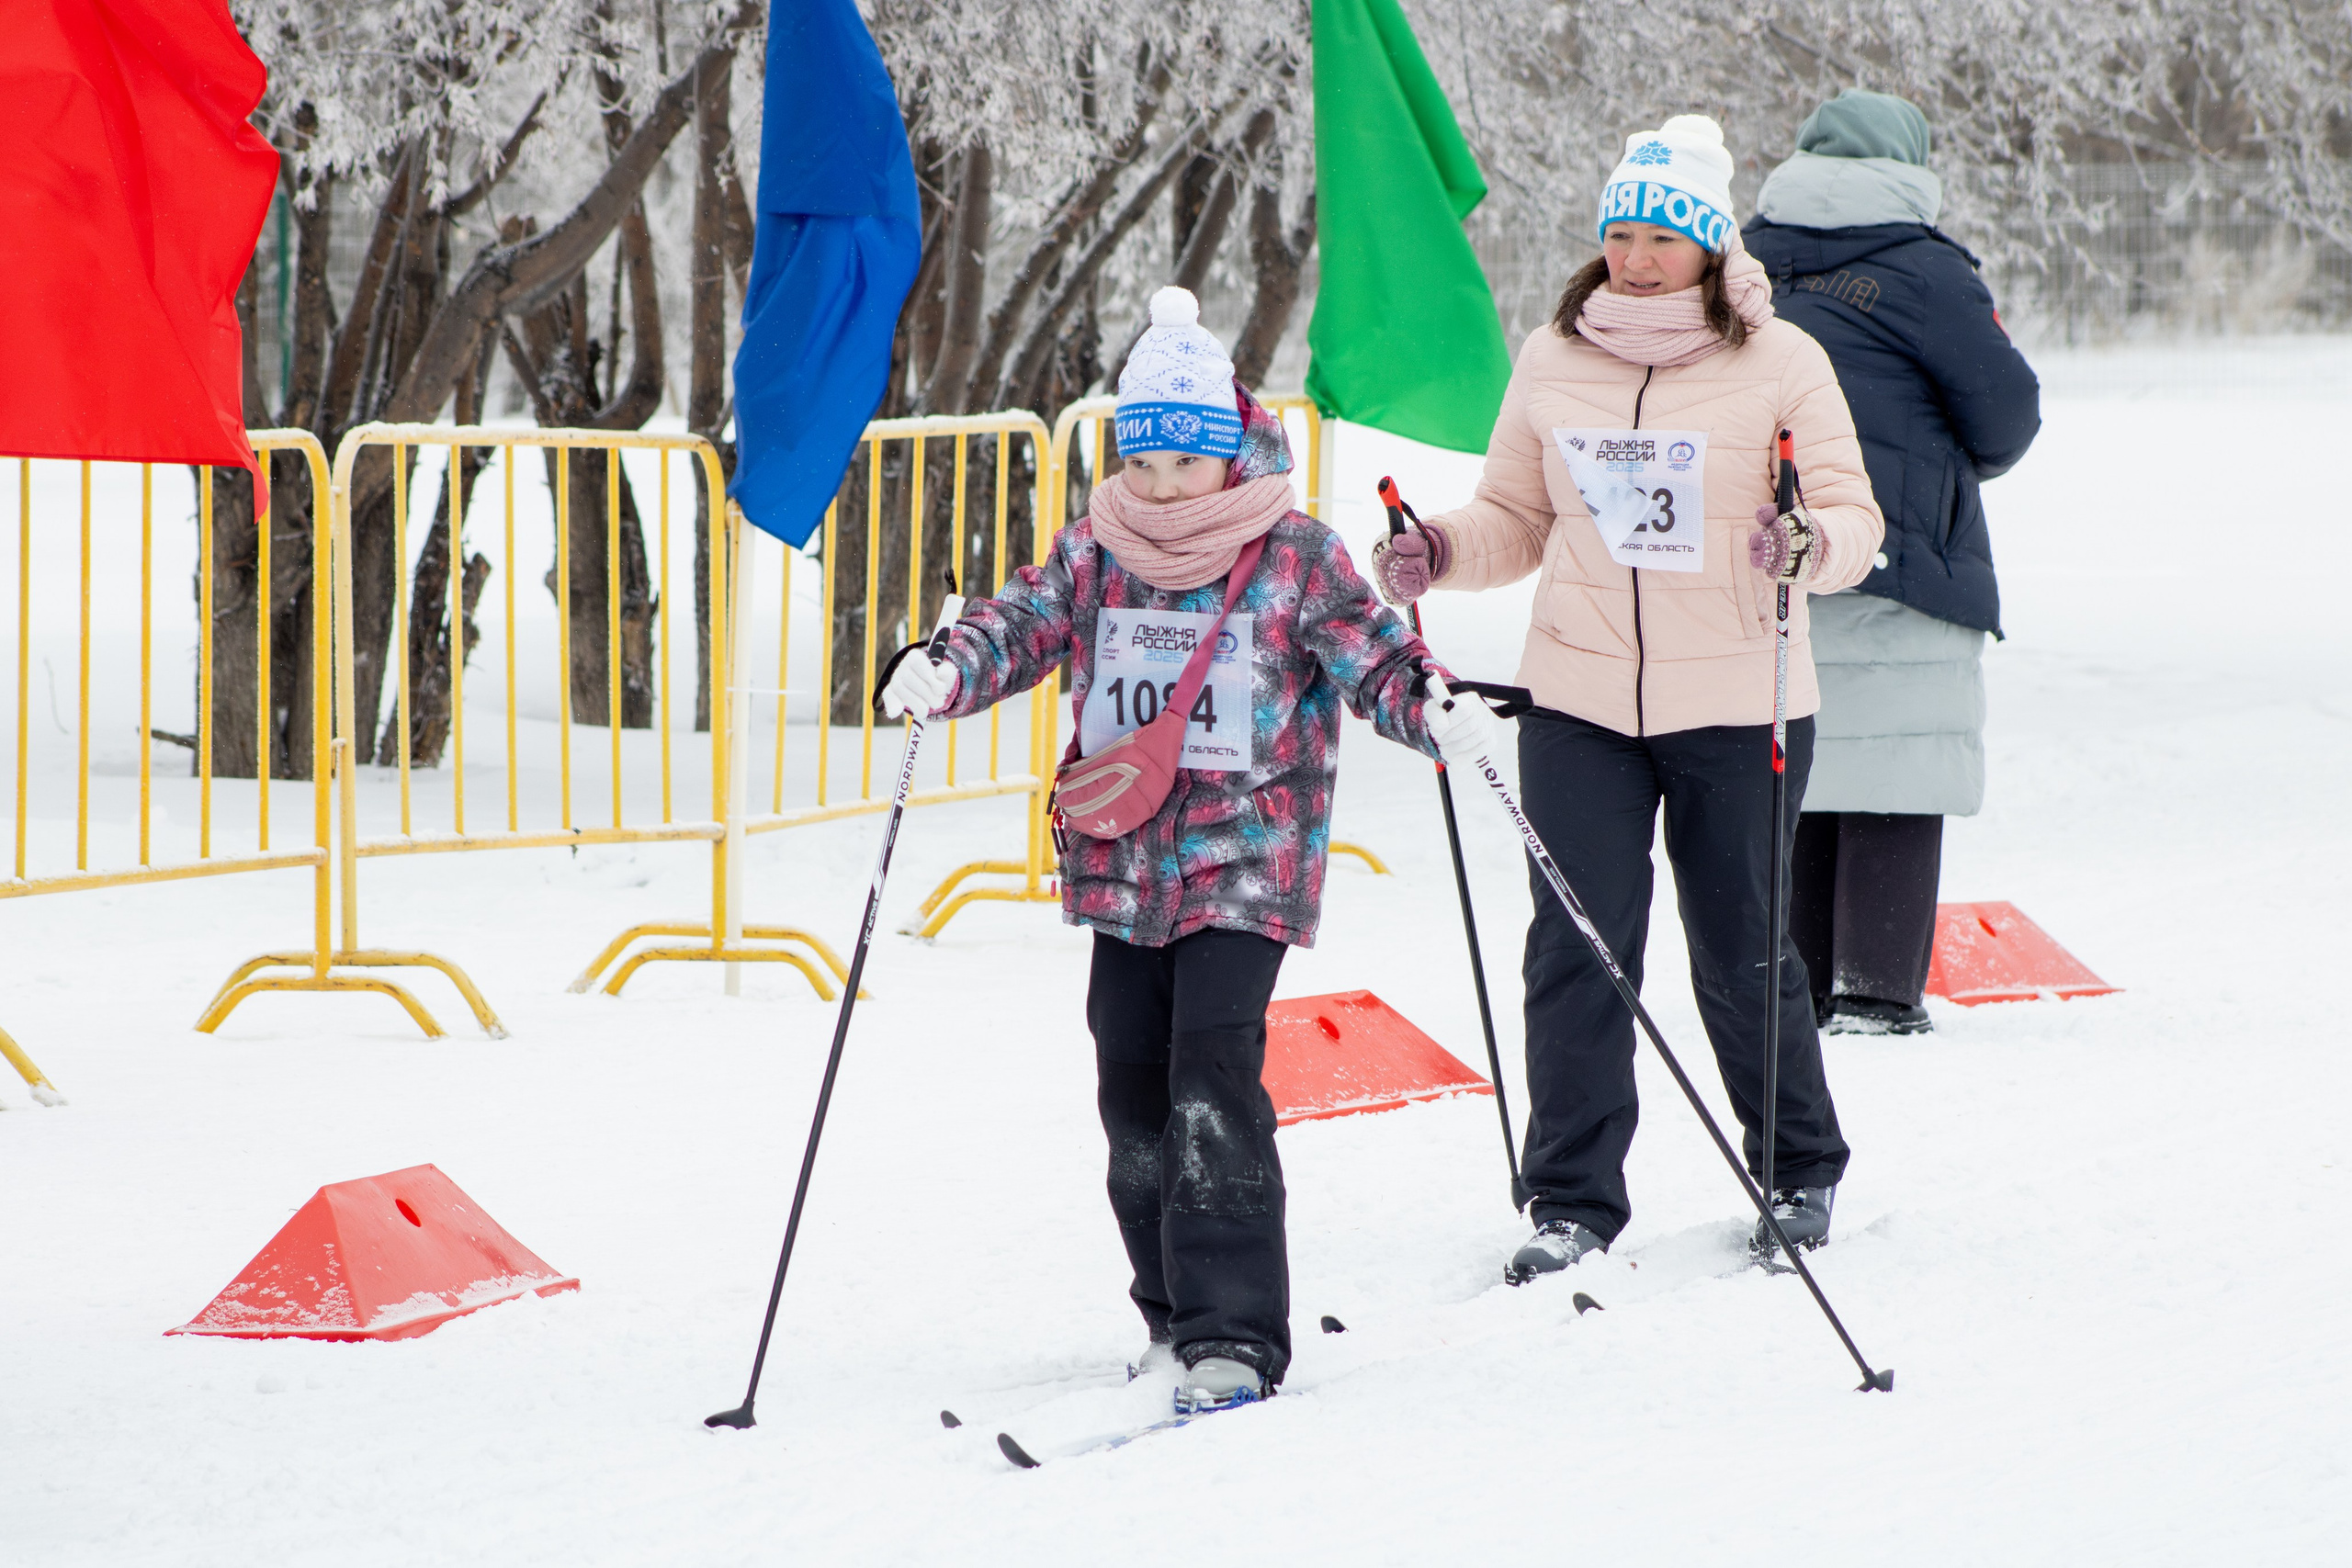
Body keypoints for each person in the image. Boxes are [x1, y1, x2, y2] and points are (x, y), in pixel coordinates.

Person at [881, 287, 1489, 1414]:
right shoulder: (1096, 548)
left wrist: (1430, 703)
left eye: (1185, 462)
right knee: (1133, 1084)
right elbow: (1016, 627)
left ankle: (1234, 1332)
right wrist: (940, 667)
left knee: (1213, 1074)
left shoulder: (1295, 553)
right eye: (1143, 461)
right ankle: (1166, 1313)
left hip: (1247, 860)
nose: (1161, 487)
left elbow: (1371, 655)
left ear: (1229, 448)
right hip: (1121, 861)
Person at [1372, 116, 1884, 1274]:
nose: (1636, 255)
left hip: (1737, 702)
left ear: (1709, 246)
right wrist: (1439, 550)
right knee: (1577, 946)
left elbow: (1855, 518)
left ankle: (1796, 1169)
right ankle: (1570, 1203)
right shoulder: (1556, 355)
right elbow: (1517, 515)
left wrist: (1807, 542)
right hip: (1581, 699)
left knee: (1743, 947)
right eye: (1620, 232)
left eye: (1661, 235)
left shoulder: (1780, 360)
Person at [1744, 90, 2042, 1036]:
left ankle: (1795, 986)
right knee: (1899, 759)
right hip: (1899, 547)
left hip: (1763, 549)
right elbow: (2005, 414)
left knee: (1795, 759)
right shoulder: (1925, 271)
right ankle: (1873, 990)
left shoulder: (1737, 263)